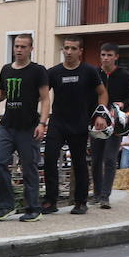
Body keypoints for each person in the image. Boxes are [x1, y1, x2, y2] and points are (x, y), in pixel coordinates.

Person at [0, 33, 49, 222]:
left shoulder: (38, 71)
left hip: (29, 126)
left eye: (23, 47)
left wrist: (42, 124)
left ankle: (33, 208)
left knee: (28, 167)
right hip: (7, 125)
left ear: (31, 49)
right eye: (17, 46)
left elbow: (45, 99)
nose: (19, 50)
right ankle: (6, 206)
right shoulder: (6, 69)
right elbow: (2, 94)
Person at [43, 37, 108, 215]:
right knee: (49, 158)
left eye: (73, 48)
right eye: (66, 48)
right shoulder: (53, 72)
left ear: (80, 51)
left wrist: (101, 115)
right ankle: (50, 200)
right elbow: (42, 95)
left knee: (78, 162)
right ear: (62, 50)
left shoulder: (89, 71)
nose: (69, 52)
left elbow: (102, 93)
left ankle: (80, 202)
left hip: (79, 122)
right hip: (57, 122)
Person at [90, 43, 129, 210]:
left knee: (109, 159)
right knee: (96, 160)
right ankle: (96, 193)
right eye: (103, 55)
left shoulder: (123, 75)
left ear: (116, 56)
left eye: (109, 55)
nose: (105, 58)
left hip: (115, 123)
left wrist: (123, 104)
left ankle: (105, 196)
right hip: (96, 121)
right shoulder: (94, 73)